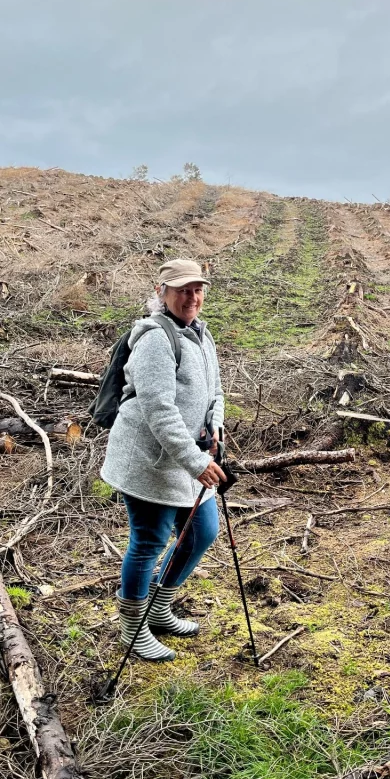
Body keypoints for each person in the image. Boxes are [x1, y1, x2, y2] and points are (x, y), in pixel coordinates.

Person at [100, 258, 226, 661]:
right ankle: (132, 629)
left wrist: (216, 428)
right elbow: (158, 409)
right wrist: (196, 460)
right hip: (150, 463)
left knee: (202, 532)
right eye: (182, 290)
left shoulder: (201, 335)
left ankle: (158, 608)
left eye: (197, 290)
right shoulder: (155, 338)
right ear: (162, 292)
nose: (192, 297)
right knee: (149, 542)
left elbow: (216, 393)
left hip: (189, 462)